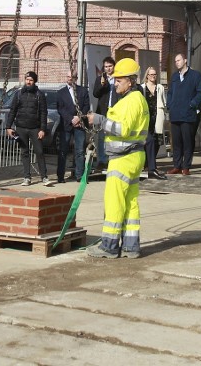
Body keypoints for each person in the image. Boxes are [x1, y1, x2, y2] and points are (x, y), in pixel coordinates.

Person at [86, 58, 149, 258]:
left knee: (114, 201)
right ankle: (131, 246)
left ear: (130, 81)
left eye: (119, 80)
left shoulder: (132, 101)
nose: (115, 83)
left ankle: (109, 246)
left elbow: (122, 129)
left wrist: (99, 120)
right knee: (130, 202)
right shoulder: (136, 99)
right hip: (133, 156)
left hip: (123, 158)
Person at [6, 71, 50, 187]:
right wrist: (8, 127)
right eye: (27, 80)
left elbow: (43, 113)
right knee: (24, 152)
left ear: (34, 81)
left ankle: (44, 177)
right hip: (21, 128)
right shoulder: (19, 94)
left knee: (39, 152)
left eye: (31, 80)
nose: (28, 82)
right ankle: (27, 177)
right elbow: (12, 111)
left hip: (35, 128)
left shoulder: (39, 95)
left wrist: (42, 129)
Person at [166, 53, 201, 176]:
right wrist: (169, 105)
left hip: (188, 115)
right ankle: (177, 165)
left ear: (185, 60)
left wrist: (192, 104)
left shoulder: (195, 75)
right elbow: (170, 92)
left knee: (187, 141)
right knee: (176, 142)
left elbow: (200, 92)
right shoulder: (175, 76)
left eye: (179, 60)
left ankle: (186, 166)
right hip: (175, 114)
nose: (177, 62)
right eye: (175, 61)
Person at [55, 72, 90, 183]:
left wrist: (78, 118)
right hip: (66, 125)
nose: (70, 79)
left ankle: (79, 175)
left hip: (80, 124)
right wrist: (71, 119)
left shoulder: (83, 91)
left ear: (76, 78)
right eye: (68, 77)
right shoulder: (61, 93)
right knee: (63, 151)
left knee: (79, 151)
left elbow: (86, 105)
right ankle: (60, 176)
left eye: (72, 77)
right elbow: (60, 108)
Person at [142, 67, 167, 180]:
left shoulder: (160, 87)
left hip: (157, 117)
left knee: (156, 142)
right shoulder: (141, 88)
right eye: (151, 74)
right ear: (147, 75)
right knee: (148, 141)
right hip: (146, 118)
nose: (153, 76)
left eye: (155, 74)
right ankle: (151, 166)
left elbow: (164, 102)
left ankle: (149, 163)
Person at [92, 57, 117, 168]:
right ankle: (102, 160)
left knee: (113, 136)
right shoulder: (100, 79)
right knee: (101, 136)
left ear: (114, 66)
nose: (108, 69)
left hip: (115, 111)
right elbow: (95, 94)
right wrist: (102, 85)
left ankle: (112, 159)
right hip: (103, 111)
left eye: (110, 66)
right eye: (106, 67)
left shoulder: (118, 79)